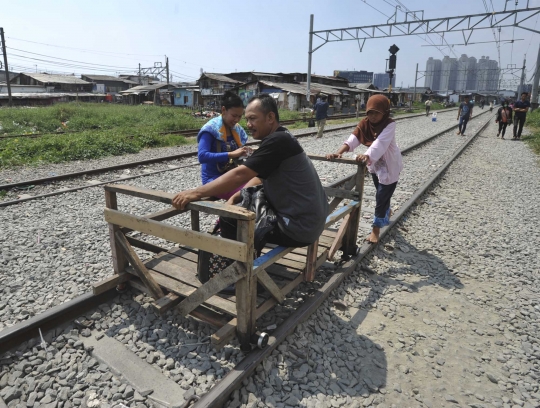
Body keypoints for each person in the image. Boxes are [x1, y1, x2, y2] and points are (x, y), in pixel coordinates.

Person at [173, 94, 329, 249]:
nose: (248, 124)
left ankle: (238, 267)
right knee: (245, 203)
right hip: (311, 222)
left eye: (253, 118)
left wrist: (196, 192)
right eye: (246, 119)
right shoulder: (282, 135)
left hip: (298, 229)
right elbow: (259, 177)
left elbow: (241, 174)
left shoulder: (277, 141)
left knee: (229, 219)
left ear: (270, 117)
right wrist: (236, 195)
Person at [326, 94, 403, 244]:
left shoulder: (389, 124)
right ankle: (386, 211)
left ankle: (376, 230)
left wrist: (367, 156)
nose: (373, 116)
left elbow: (380, 144)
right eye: (370, 112)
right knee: (381, 192)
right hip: (375, 164)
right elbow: (353, 138)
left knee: (381, 197)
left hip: (389, 165)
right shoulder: (365, 123)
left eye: (376, 113)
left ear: (384, 112)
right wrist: (338, 152)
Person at [197, 91, 251, 200]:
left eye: (240, 116)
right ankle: (226, 218)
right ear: (223, 110)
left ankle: (226, 218)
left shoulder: (236, 129)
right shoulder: (210, 130)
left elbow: (237, 154)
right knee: (248, 194)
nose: (236, 120)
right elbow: (202, 156)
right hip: (213, 180)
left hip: (231, 175)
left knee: (261, 184)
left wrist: (246, 152)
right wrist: (231, 154)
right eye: (234, 115)